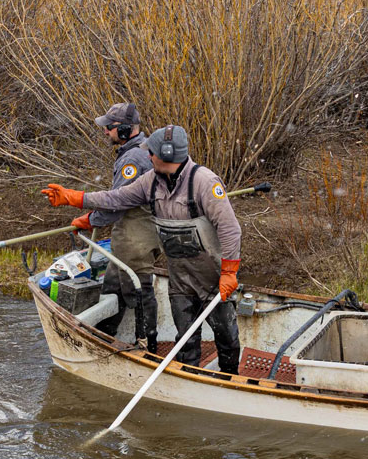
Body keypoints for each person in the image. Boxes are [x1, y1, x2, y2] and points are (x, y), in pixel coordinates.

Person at [41, 125, 244, 374]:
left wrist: (229, 271)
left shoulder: (204, 183)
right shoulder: (151, 182)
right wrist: (76, 198)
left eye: (153, 153)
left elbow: (230, 229)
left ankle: (230, 378)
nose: (148, 157)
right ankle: (191, 381)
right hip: (180, 279)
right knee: (186, 340)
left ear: (167, 155)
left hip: (212, 277)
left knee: (227, 338)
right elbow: (116, 198)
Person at [73, 103, 159, 340]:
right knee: (112, 286)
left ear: (124, 130)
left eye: (109, 127)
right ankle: (103, 337)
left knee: (139, 289)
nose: (105, 132)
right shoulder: (146, 147)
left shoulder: (132, 159)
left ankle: (148, 344)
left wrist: (91, 219)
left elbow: (116, 203)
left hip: (137, 236)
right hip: (133, 234)